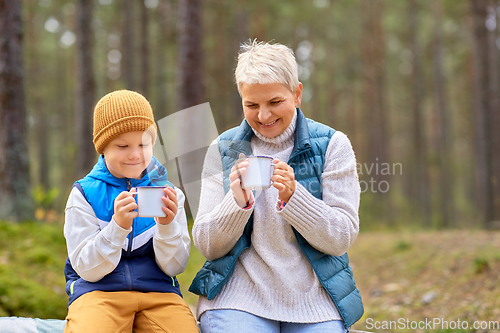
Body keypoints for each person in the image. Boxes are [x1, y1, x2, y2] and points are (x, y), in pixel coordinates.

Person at [189, 40, 364, 333]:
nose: (264, 116)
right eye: (251, 105)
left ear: (296, 94)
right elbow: (207, 245)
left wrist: (295, 199)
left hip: (314, 300)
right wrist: (238, 203)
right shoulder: (223, 148)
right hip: (238, 298)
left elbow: (341, 237)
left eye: (274, 102)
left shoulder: (333, 145)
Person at [63, 90, 199, 333]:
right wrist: (117, 228)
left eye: (144, 144)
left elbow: (174, 267)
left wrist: (167, 226)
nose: (135, 154)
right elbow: (86, 268)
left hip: (159, 293)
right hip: (97, 293)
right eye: (123, 145)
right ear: (102, 148)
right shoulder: (83, 195)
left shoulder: (169, 193)